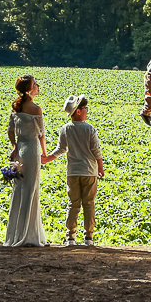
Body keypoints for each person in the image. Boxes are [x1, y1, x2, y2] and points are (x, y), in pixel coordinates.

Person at [44, 94, 105, 245]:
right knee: (89, 204)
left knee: (73, 204)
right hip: (89, 171)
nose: (86, 111)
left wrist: (46, 158)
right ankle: (88, 237)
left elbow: (60, 149)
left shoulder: (65, 129)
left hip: (73, 172)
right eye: (85, 108)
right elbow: (96, 150)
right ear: (78, 111)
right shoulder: (90, 129)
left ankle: (70, 237)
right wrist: (100, 167)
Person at [4, 74, 50, 247]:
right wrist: (44, 152)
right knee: (31, 189)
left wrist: (14, 146)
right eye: (35, 84)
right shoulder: (36, 109)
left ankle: (16, 234)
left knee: (19, 189)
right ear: (30, 89)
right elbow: (41, 134)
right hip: (31, 150)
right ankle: (30, 235)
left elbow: (10, 130)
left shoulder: (16, 108)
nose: (38, 86)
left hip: (20, 151)